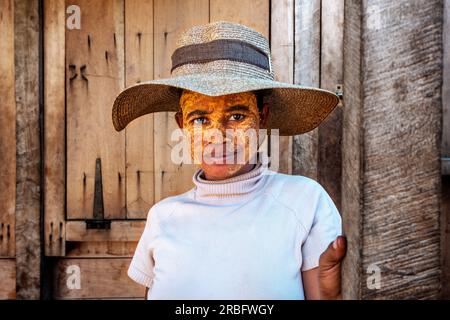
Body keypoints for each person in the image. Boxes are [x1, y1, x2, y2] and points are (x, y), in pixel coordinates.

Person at [112, 21, 347, 300]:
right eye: (200, 119)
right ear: (182, 125)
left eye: (236, 116)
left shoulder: (305, 201)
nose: (217, 136)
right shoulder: (163, 217)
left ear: (262, 118)